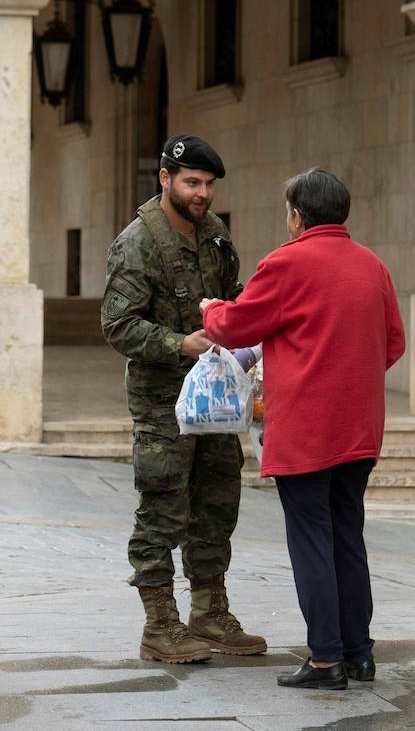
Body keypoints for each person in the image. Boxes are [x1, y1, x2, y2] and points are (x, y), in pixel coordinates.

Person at [200, 168, 404, 690]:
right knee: (347, 538)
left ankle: (325, 660)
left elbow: (236, 325)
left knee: (311, 540)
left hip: (307, 430)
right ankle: (360, 655)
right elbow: (394, 343)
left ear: (297, 216)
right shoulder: (372, 266)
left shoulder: (286, 262)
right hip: (359, 428)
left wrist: (210, 308)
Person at [101, 134, 267, 665]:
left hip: (216, 400)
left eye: (209, 184)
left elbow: (235, 300)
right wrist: (179, 343)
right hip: (162, 403)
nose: (202, 193)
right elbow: (117, 325)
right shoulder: (139, 242)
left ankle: (210, 611)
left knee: (218, 502)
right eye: (192, 182)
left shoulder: (216, 235)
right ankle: (160, 624)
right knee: (163, 507)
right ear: (166, 179)